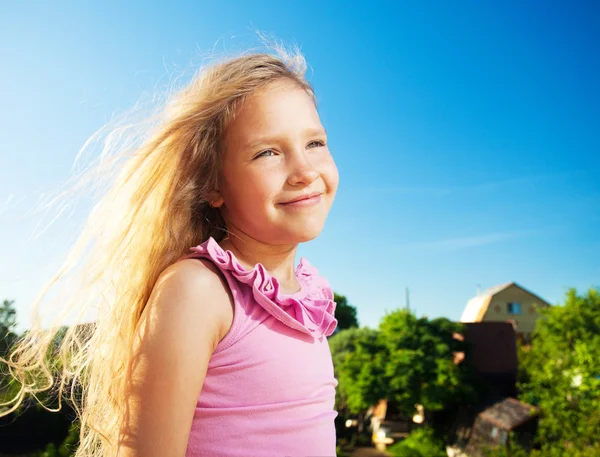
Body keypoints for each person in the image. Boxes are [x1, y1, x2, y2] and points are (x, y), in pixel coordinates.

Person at [1, 47, 340, 457]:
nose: (305, 171)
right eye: (267, 152)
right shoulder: (200, 291)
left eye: (315, 143)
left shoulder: (307, 298)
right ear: (213, 185)